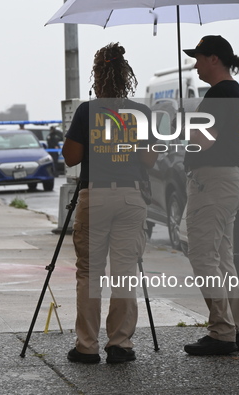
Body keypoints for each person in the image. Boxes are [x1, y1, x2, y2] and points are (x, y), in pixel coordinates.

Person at [62, 43, 157, 364]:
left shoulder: (87, 111)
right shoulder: (140, 112)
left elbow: (71, 158)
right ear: (126, 76)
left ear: (97, 76)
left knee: (89, 272)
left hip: (96, 195)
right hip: (131, 196)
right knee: (125, 273)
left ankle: (87, 346)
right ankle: (120, 344)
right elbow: (148, 160)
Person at [181, 35, 239, 356]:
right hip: (231, 179)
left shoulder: (219, 93)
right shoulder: (236, 93)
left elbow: (202, 141)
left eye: (198, 57)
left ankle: (222, 331)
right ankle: (235, 328)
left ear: (214, 59)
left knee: (203, 255)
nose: (194, 64)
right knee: (222, 258)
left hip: (212, 182)